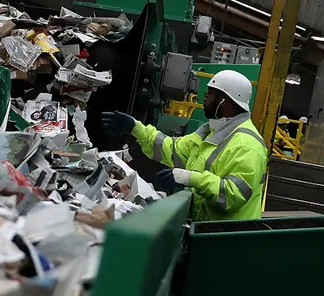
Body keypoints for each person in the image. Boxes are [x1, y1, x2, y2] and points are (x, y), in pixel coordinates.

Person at [101, 70, 268, 221]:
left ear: (224, 101)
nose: (204, 96)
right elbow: (170, 149)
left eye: (210, 93)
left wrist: (189, 178)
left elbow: (234, 195)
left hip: (228, 240)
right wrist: (135, 128)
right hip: (206, 231)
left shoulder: (247, 146)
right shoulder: (209, 132)